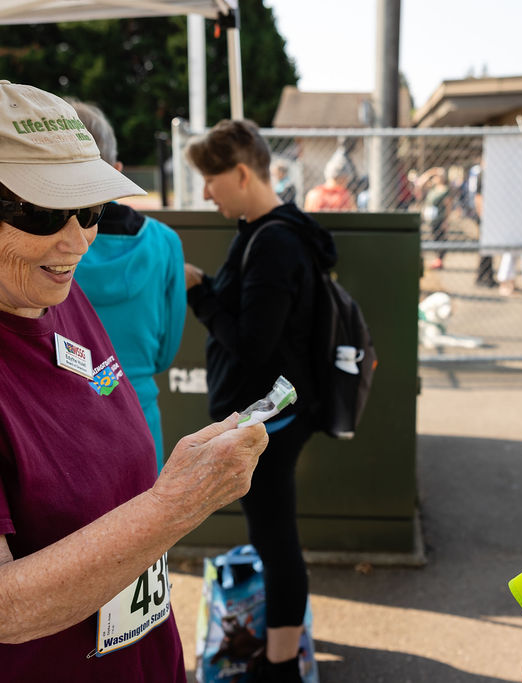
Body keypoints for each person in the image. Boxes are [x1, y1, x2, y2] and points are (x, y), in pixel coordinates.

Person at [0, 81, 267, 683]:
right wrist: (176, 505)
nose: (77, 240)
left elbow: (93, 408)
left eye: (90, 209)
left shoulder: (46, 291)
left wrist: (181, 475)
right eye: (45, 212)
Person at [184, 118, 337, 683]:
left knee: (277, 542)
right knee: (271, 536)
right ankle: (279, 644)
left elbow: (253, 345)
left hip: (273, 419)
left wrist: (201, 295)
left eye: (210, 178)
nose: (206, 192)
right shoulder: (265, 229)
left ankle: (279, 669)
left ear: (242, 172)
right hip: (274, 412)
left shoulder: (272, 241)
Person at [68, 98, 187, 470]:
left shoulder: (42, 247)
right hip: (139, 413)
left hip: (63, 418)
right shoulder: (165, 242)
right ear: (116, 171)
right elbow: (166, 351)